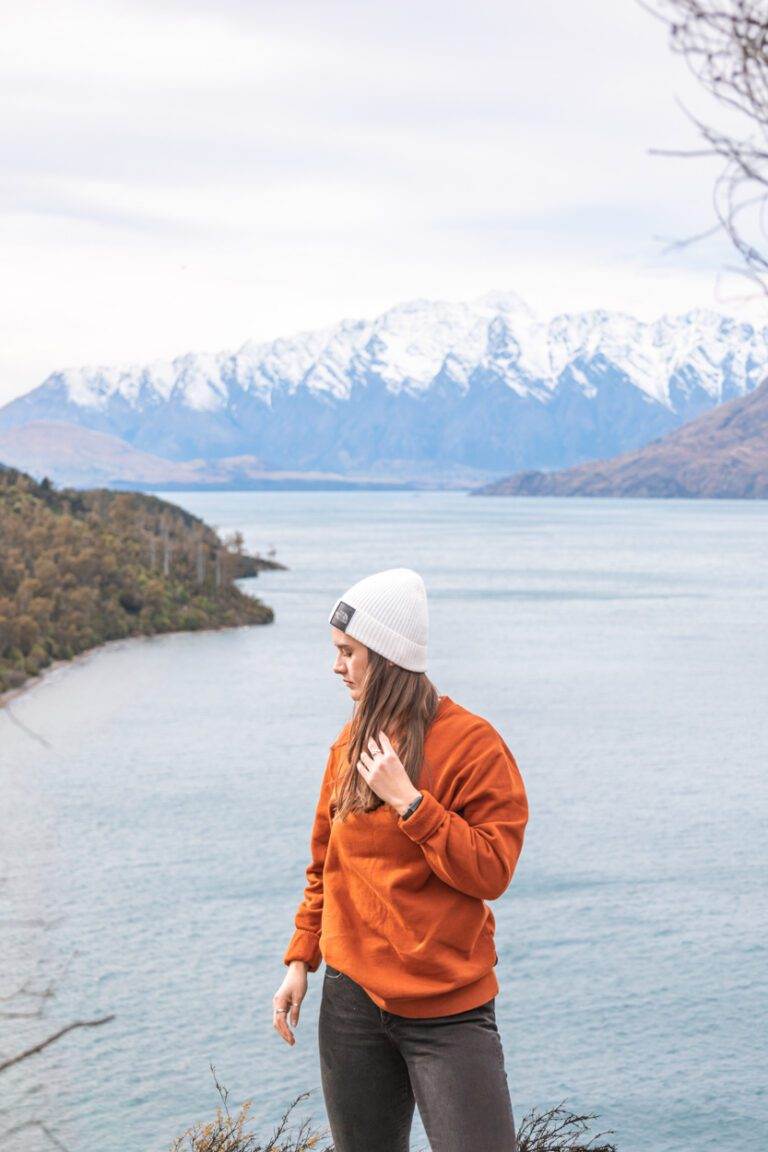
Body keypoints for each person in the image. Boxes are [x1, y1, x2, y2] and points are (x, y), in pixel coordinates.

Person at [273, 567, 529, 1152]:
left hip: (449, 1013)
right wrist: (299, 960)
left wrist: (411, 804)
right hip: (351, 1007)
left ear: (385, 656)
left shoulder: (473, 745)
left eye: (347, 653)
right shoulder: (348, 745)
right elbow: (325, 865)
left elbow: (492, 870)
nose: (336, 667)